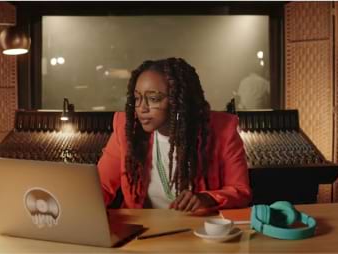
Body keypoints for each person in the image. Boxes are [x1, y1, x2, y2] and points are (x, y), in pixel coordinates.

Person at [97, 58, 251, 214]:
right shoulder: (127, 129)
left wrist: (208, 198)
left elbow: (241, 191)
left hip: (198, 230)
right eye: (137, 98)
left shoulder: (223, 130)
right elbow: (101, 186)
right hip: (142, 232)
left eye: (153, 99)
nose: (141, 108)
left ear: (179, 101)